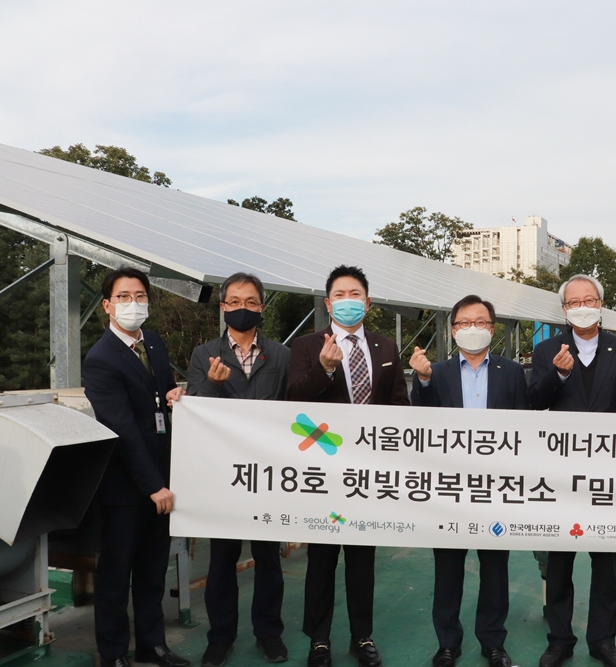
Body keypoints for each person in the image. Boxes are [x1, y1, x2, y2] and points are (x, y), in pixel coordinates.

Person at [286, 265, 410, 667]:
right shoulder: (307, 346)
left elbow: (399, 404)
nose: (347, 301)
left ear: (367, 302)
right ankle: (319, 640)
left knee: (361, 559)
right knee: (321, 558)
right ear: (328, 304)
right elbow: (293, 399)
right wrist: (324, 368)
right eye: (339, 295)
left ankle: (362, 637)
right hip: (323, 468)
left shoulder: (386, 348)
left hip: (368, 472)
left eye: (355, 294)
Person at [528, 274, 616, 667]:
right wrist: (558, 374)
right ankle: (560, 639)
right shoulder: (547, 350)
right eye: (574, 302)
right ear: (564, 309)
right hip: (561, 473)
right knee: (560, 561)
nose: (582, 307)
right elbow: (534, 402)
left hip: (609, 474)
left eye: (589, 300)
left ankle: (603, 641)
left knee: (605, 561)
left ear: (600, 304)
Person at [409, 294, 529, 667]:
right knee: (448, 569)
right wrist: (422, 380)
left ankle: (493, 642)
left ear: (492, 329)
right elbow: (421, 423)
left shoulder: (511, 372)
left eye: (480, 322)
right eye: (464, 323)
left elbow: (523, 428)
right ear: (453, 329)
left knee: (495, 569)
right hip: (449, 487)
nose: (472, 329)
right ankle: (448, 642)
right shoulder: (436, 371)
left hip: (496, 487)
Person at [82, 267, 188, 667]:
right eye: (123, 297)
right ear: (107, 306)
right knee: (116, 573)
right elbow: (122, 429)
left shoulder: (154, 343)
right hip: (125, 486)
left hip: (160, 476)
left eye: (140, 296)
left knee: (152, 569)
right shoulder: (101, 359)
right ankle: (113, 653)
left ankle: (152, 644)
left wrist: (173, 395)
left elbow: (156, 399)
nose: (133, 303)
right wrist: (153, 486)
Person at [186, 273, 291, 667]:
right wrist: (212, 386)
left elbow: (292, 408)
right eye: (234, 301)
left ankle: (269, 633)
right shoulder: (204, 355)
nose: (242, 308)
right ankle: (220, 637)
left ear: (262, 307)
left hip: (268, 472)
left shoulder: (280, 355)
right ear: (222, 307)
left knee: (269, 558)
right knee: (222, 560)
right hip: (224, 474)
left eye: (250, 302)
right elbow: (195, 409)